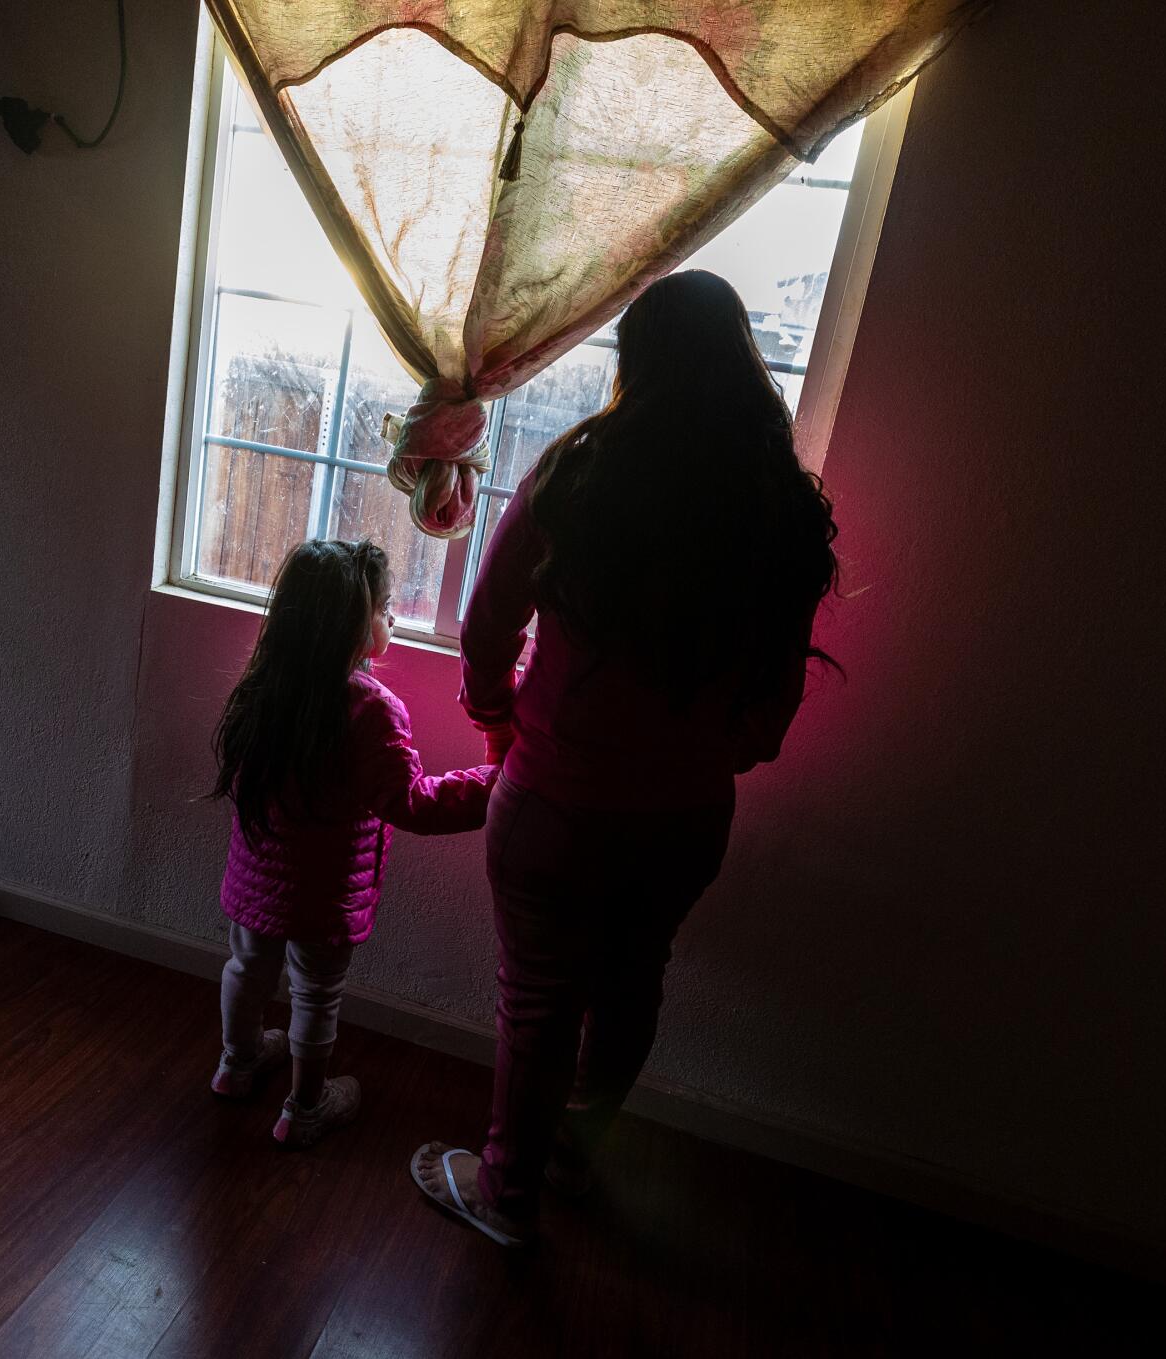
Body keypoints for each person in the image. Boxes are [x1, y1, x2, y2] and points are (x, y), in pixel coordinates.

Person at [411, 270, 842, 1244]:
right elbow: (769, 716)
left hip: (555, 803)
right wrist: (709, 751)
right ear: (742, 363)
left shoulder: (580, 471)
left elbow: (486, 628)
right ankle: (567, 1154)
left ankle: (505, 1194)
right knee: (630, 985)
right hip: (685, 819)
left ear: (632, 361)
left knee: (537, 1004)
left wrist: (498, 724)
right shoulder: (776, 506)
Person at [211, 539, 497, 1146]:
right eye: (387, 607)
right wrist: (492, 784)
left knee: (247, 966)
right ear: (351, 623)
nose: (393, 618)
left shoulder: (264, 686)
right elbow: (411, 802)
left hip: (256, 880)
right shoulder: (371, 709)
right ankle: (303, 1110)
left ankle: (236, 1068)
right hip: (324, 897)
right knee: (316, 992)